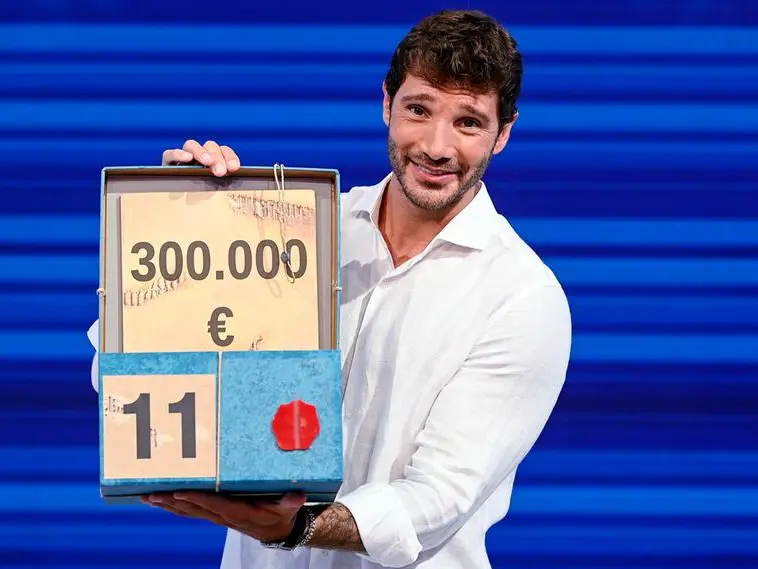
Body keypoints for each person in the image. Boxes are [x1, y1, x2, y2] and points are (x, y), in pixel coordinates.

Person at [87, 8, 572, 569]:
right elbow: (117, 372)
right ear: (386, 103)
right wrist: (183, 221)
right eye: (418, 110)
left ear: (503, 132)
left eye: (468, 122)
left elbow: (437, 500)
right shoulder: (293, 231)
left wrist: (299, 526)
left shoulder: (522, 298)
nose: (437, 146)